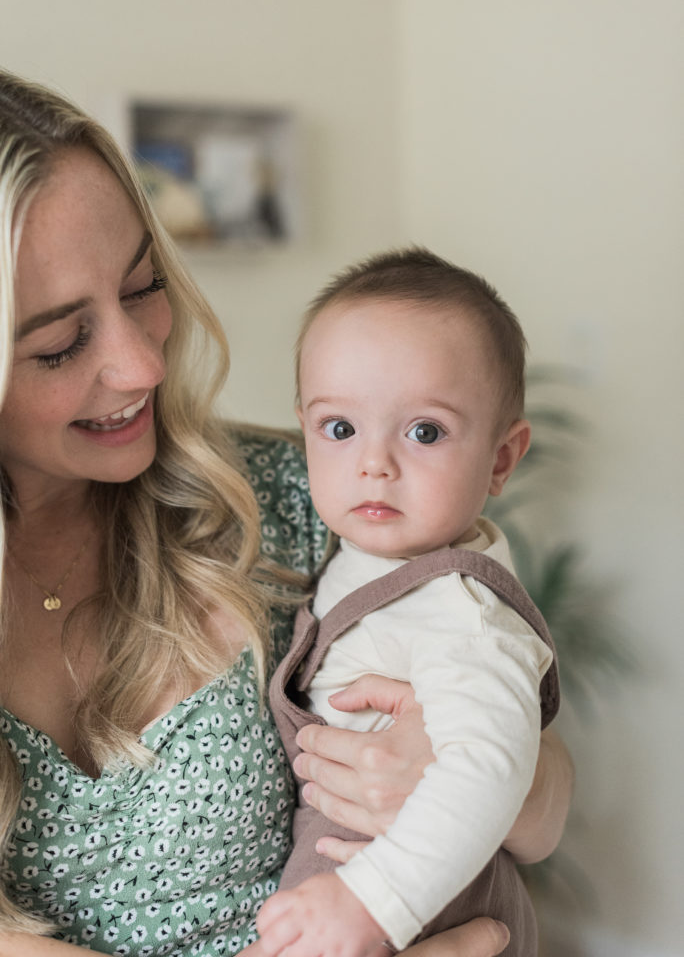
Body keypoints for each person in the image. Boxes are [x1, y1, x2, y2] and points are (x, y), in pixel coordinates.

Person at [0, 69, 572, 957]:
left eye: (144, 287)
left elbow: (543, 813)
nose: (142, 366)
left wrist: (461, 777)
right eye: (59, 343)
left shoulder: (299, 499)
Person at [259, 249, 561, 957]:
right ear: (303, 426)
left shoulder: (464, 613)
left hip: (422, 909)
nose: (374, 463)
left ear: (500, 460)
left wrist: (374, 901)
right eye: (340, 429)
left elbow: (486, 772)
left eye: (424, 432)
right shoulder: (366, 558)